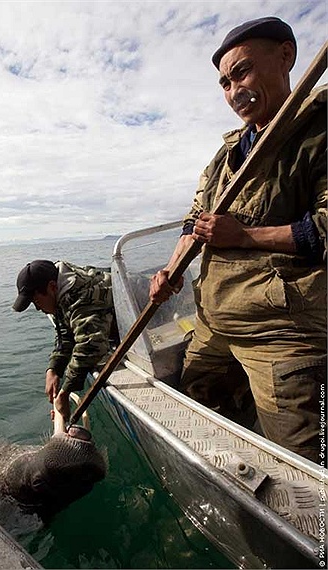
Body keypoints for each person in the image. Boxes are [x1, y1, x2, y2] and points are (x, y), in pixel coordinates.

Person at [149, 17, 326, 463]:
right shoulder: (226, 155)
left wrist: (245, 236)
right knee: (194, 395)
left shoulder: (318, 131)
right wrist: (171, 269)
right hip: (215, 319)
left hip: (282, 331)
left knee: (306, 462)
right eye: (225, 83)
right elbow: (195, 222)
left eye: (242, 72)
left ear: (286, 56)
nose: (233, 91)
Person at [13, 259, 117, 421]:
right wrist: (54, 369)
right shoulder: (62, 293)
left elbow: (91, 345)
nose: (38, 308)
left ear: (52, 287)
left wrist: (65, 392)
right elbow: (65, 333)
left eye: (37, 301)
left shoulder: (82, 297)